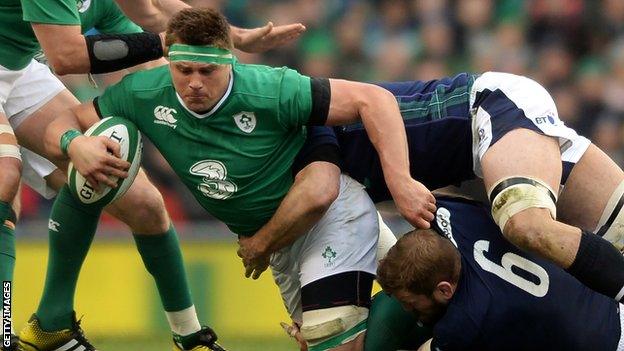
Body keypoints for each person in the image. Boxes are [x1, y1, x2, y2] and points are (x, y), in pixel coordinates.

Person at [46, 7, 437, 351]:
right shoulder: (143, 93)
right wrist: (74, 142)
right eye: (184, 70)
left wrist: (400, 182)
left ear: (229, 62)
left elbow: (375, 100)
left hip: (327, 212)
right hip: (280, 244)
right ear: (170, 63)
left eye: (207, 70)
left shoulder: (270, 88)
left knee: (348, 337)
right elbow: (70, 118)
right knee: (376, 326)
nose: (194, 82)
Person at [1, 1, 306, 350]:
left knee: (140, 200)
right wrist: (166, 43)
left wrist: (229, 39)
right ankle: (1, 331)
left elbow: (154, 10)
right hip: (30, 62)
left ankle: (183, 335)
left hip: (20, 70)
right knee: (4, 177)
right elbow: (65, 55)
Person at [239, 72, 624, 307]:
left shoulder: (308, 133)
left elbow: (376, 102)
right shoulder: (293, 190)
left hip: (486, 109)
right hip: (477, 173)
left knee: (526, 224)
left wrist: (400, 180)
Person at [377, 196, 624, 351]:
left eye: (411, 304)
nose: (409, 311)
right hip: (613, 306)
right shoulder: (451, 215)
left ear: (445, 289)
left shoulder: (464, 324)